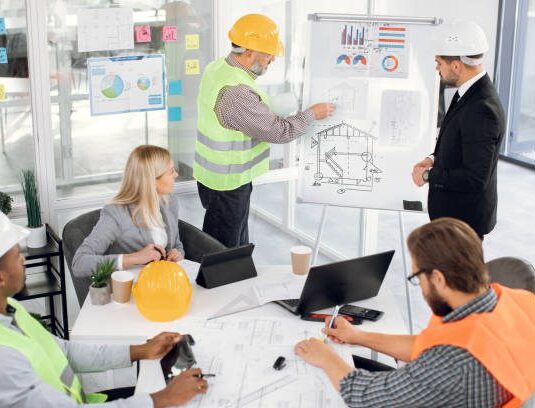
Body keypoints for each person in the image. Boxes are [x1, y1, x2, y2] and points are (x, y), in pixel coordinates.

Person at [0, 204, 208, 407]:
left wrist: (140, 350)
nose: (22, 260)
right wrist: (164, 399)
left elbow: (63, 352)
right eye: (16, 256)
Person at [295, 217, 535, 407]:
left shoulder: (451, 363)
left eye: (417, 277)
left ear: (438, 279)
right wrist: (358, 337)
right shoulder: (516, 301)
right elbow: (430, 344)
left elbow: (365, 396)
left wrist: (326, 357)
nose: (420, 286)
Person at [194, 13, 335, 247]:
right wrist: (312, 114)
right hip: (228, 183)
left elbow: (241, 114)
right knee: (222, 253)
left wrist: (282, 104)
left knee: (231, 243)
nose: (272, 59)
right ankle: (221, 283)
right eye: (269, 54)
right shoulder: (236, 92)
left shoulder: (218, 68)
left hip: (213, 176)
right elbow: (279, 132)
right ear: (250, 52)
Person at [412, 20, 506, 240]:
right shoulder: (469, 91)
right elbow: (460, 144)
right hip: (455, 218)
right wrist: (433, 159)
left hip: (462, 222)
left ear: (456, 66)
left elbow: (475, 177)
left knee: (456, 275)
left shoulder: (481, 108)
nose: (437, 69)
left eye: (439, 63)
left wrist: (428, 175)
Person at [72, 145, 184, 279]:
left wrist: (177, 254)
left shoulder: (169, 202)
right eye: (171, 171)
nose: (176, 175)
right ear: (152, 180)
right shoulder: (117, 213)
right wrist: (134, 258)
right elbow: (79, 263)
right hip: (130, 291)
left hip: (164, 283)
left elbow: (177, 244)